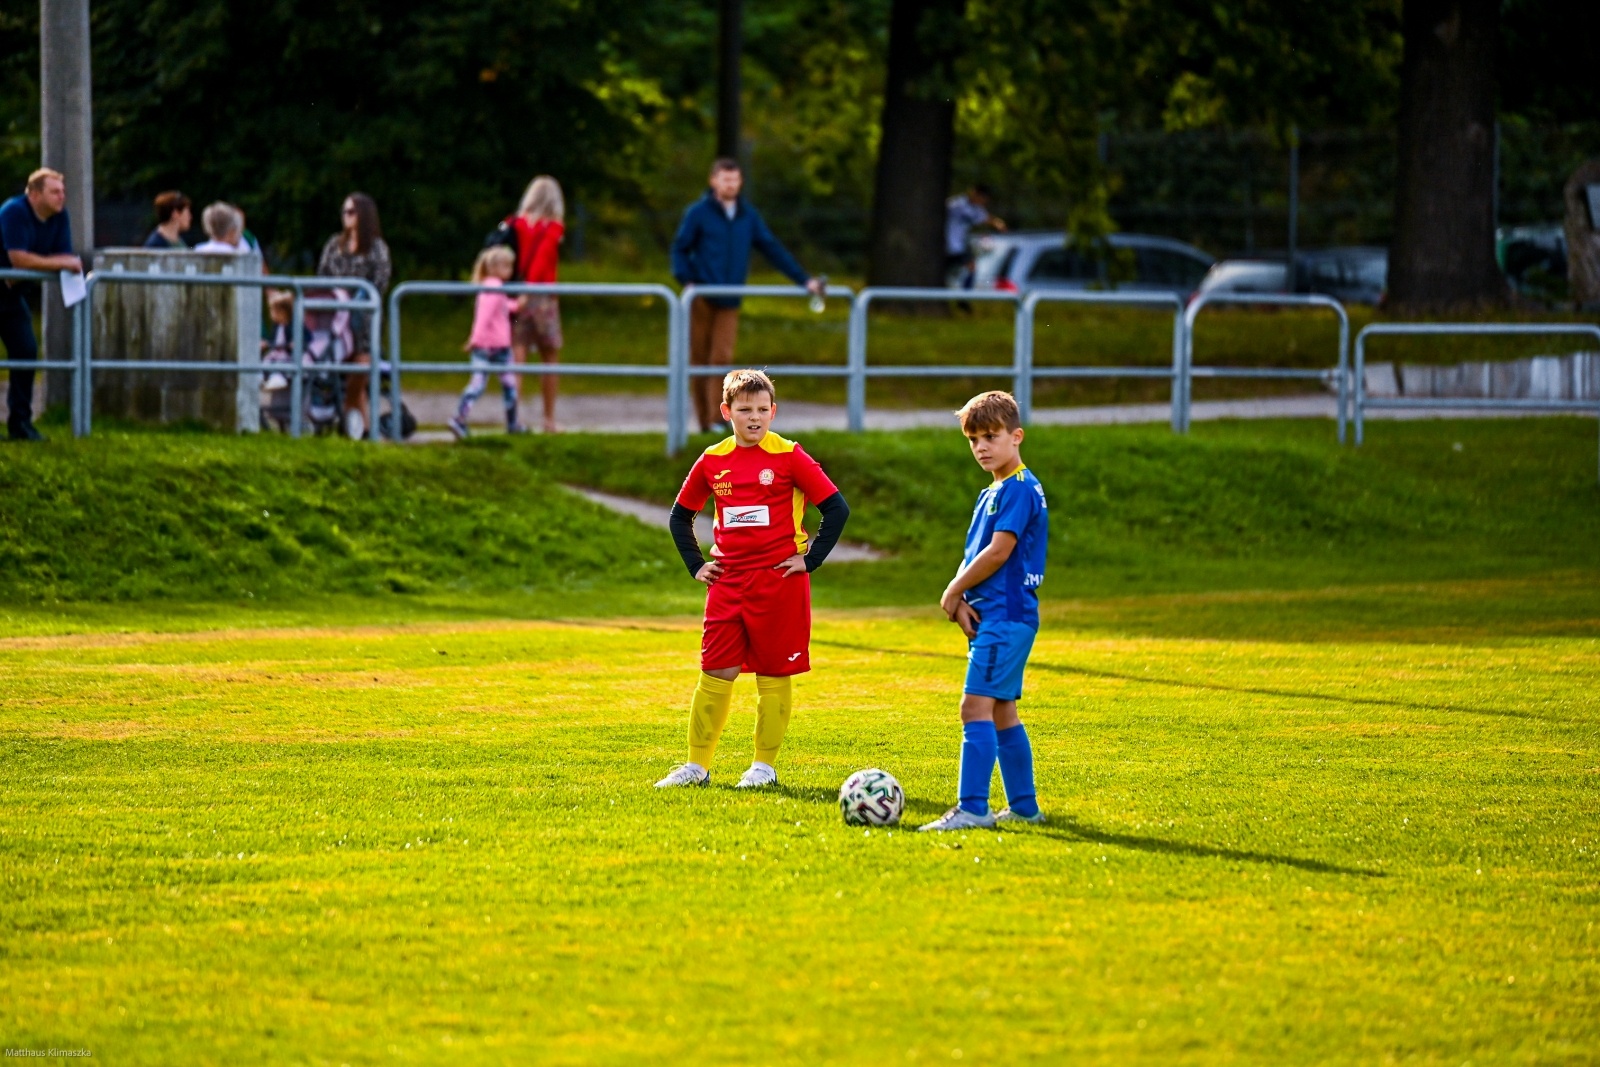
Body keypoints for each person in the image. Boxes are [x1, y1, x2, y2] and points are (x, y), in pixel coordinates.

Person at [656, 369, 851, 789]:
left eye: (763, 409)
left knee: (774, 673)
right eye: (745, 410)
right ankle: (697, 767)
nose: (754, 418)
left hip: (779, 583)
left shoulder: (790, 455)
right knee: (716, 671)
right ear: (726, 411)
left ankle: (763, 767)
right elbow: (679, 516)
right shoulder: (712, 459)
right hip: (727, 583)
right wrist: (695, 564)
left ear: (774, 411)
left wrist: (810, 559)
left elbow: (836, 509)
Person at [921, 390, 1048, 832]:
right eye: (973, 438)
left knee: (973, 708)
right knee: (1000, 712)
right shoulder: (992, 491)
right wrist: (959, 604)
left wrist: (953, 590)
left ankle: (973, 808)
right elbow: (976, 552)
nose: (981, 447)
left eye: (991, 436)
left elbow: (998, 552)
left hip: (1006, 617)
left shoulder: (1018, 490)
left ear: (1017, 437)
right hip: (995, 616)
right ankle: (1026, 808)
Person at [670, 158, 824, 434]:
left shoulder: (747, 216)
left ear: (740, 182)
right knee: (701, 358)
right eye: (725, 179)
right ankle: (704, 421)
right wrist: (688, 280)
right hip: (702, 295)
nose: (730, 184)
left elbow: (771, 248)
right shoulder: (699, 213)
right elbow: (680, 249)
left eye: (735, 179)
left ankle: (717, 420)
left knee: (722, 357)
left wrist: (804, 280)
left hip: (730, 297)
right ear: (713, 181)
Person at [0, 168, 82, 442]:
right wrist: (58, 263)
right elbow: (18, 260)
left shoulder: (59, 217)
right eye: (55, 192)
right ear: (34, 195)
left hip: (11, 296)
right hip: (5, 286)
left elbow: (64, 255)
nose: (62, 197)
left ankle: (20, 425)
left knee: (26, 351)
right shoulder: (14, 211)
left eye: (63, 191)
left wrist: (58, 261)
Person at [318, 192, 392, 440]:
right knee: (346, 372)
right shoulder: (334, 245)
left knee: (359, 372)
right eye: (344, 212)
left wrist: (355, 300)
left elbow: (379, 283)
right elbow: (322, 277)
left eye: (350, 212)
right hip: (335, 317)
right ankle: (362, 430)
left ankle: (353, 421)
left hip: (362, 320)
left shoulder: (377, 249)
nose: (345, 217)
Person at [508, 176, 564, 434]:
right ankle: (548, 419)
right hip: (541, 298)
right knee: (549, 358)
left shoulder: (514, 224)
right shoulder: (552, 227)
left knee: (517, 357)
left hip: (516, 294)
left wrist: (521, 293)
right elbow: (542, 260)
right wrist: (531, 292)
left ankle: (514, 417)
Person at [449, 246, 522, 439]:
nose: (511, 270)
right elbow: (485, 316)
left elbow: (502, 308)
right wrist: (475, 340)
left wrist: (516, 305)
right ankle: (460, 418)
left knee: (500, 384)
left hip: (495, 344)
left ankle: (511, 423)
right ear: (494, 268)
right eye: (507, 266)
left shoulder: (493, 287)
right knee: (499, 384)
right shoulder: (493, 287)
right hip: (493, 346)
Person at [945, 184, 1006, 287]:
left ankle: (964, 297)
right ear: (975, 193)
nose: (983, 202)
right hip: (946, 244)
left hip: (958, 245)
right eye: (982, 198)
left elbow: (987, 218)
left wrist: (998, 224)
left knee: (971, 266)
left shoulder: (977, 209)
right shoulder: (956, 204)